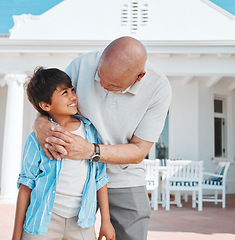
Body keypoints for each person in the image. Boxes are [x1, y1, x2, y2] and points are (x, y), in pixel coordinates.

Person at [33, 36, 172, 240]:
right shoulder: (81, 66)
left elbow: (139, 151)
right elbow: (52, 104)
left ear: (139, 76)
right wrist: (40, 123)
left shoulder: (159, 89)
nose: (103, 85)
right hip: (77, 174)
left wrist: (90, 150)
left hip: (124, 176)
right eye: (100, 77)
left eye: (113, 84)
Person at [12, 67, 115, 240]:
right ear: (45, 105)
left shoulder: (90, 131)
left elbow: (100, 178)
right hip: (42, 222)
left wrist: (106, 221)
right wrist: (16, 234)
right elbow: (26, 185)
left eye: (72, 90)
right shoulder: (37, 138)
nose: (73, 96)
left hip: (81, 222)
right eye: (65, 93)